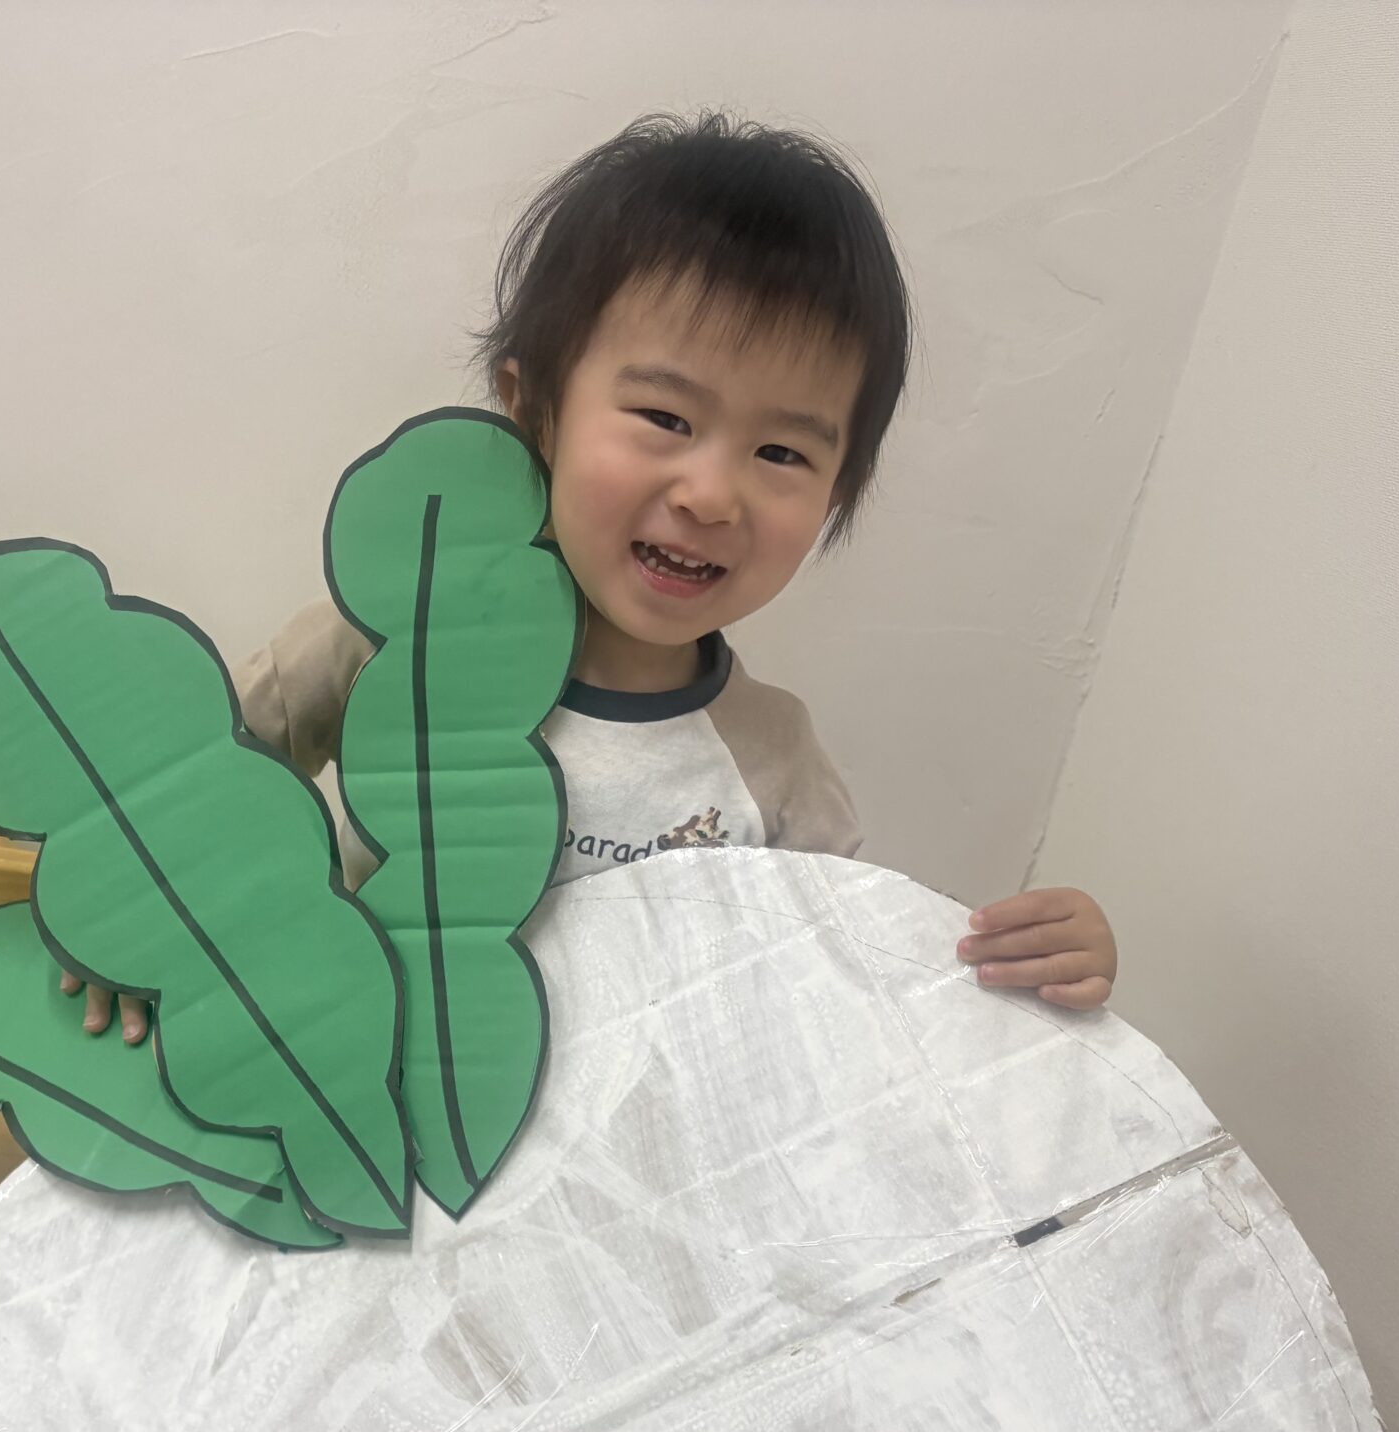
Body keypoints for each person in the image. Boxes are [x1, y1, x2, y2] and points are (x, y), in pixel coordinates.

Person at [73, 111, 1118, 1042]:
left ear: (839, 490)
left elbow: (844, 986)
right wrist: (122, 910)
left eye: (782, 453)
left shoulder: (775, 764)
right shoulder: (393, 639)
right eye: (665, 417)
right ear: (532, 407)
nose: (711, 493)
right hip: (365, 1117)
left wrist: (1027, 965)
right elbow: (184, 783)